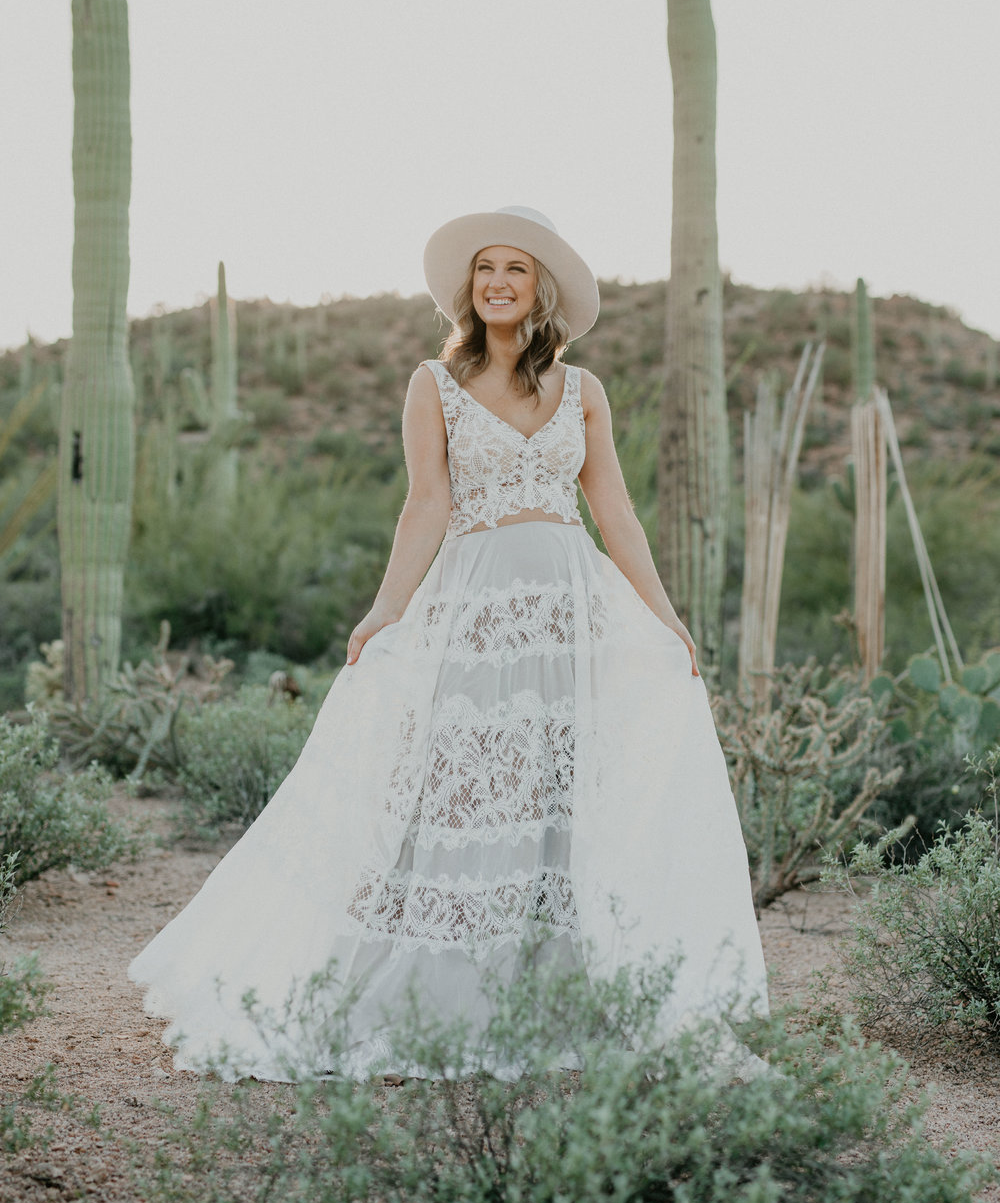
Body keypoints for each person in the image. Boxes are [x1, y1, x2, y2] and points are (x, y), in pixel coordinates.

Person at [129, 206, 768, 1080]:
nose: (499, 282)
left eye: (516, 268)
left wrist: (664, 615)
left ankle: (563, 991)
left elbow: (613, 509)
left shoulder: (584, 391)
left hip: (569, 613)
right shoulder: (432, 382)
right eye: (485, 269)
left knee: (562, 790)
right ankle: (438, 993)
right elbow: (426, 503)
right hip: (473, 612)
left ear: (540, 287)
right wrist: (384, 610)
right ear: (469, 288)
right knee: (462, 788)